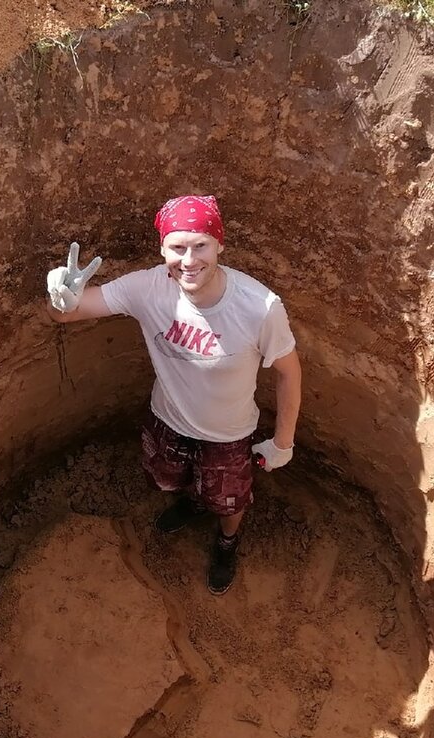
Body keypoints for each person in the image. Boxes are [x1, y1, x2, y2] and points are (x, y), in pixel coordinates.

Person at [44, 195, 302, 594]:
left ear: (220, 244)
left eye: (200, 245)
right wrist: (62, 298)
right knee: (168, 480)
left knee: (229, 502)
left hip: (228, 435)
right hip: (168, 420)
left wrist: (283, 442)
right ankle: (192, 502)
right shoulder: (148, 288)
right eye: (177, 247)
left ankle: (226, 541)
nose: (189, 260)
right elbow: (67, 313)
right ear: (162, 249)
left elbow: (289, 373)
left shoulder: (259, 307)